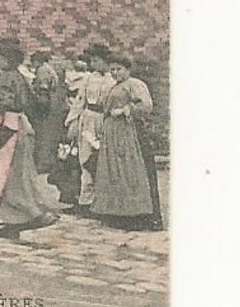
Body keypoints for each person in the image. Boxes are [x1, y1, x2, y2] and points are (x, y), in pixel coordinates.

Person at [0, 38, 61, 238]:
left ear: (6, 59)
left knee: (2, 172)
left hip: (7, 126)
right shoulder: (20, 77)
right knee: (16, 171)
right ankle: (14, 219)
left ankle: (30, 213)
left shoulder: (6, 77)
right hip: (20, 124)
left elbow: (5, 102)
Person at [93, 55, 162, 229]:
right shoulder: (114, 86)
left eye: (119, 69)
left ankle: (138, 215)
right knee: (114, 172)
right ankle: (117, 214)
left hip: (128, 133)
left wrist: (126, 110)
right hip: (112, 135)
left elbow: (146, 105)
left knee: (130, 172)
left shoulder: (135, 84)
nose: (115, 73)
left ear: (127, 69)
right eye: (112, 70)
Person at [67, 47, 114, 212]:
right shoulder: (88, 79)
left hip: (105, 120)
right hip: (88, 119)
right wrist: (72, 121)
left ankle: (103, 202)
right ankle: (85, 201)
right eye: (92, 61)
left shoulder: (113, 79)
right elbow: (80, 100)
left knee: (103, 159)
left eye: (97, 61)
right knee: (85, 159)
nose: (94, 64)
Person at [25, 50, 67, 178]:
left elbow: (43, 87)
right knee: (49, 133)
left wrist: (34, 92)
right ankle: (47, 162)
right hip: (53, 101)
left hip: (46, 103)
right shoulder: (48, 68)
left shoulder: (42, 70)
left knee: (44, 133)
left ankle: (44, 164)